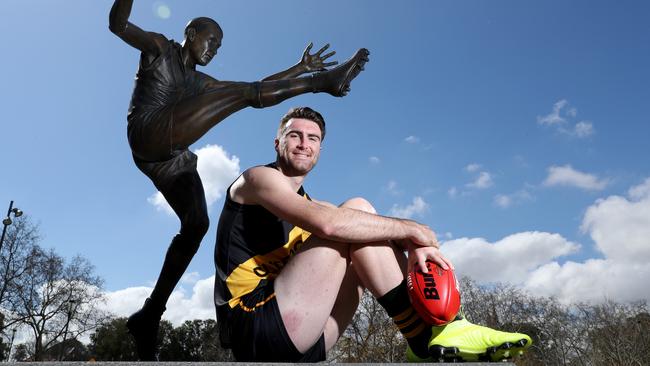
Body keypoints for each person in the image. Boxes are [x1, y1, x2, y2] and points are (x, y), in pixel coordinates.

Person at [109, 0, 369, 360]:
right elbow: (118, 25)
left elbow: (255, 88)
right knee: (239, 94)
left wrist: (295, 67)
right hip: (149, 131)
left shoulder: (201, 82)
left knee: (196, 224)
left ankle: (150, 314)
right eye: (209, 41)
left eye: (219, 47)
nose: (213, 50)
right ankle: (321, 83)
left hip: (169, 160)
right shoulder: (159, 49)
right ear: (190, 34)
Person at [214, 107, 532, 362]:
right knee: (356, 211)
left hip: (308, 340)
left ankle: (438, 329)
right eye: (294, 135)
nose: (303, 143)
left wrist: (414, 246)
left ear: (320, 149)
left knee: (359, 223)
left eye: (313, 138)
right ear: (277, 143)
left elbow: (351, 228)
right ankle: (427, 339)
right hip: (252, 326)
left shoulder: (312, 205)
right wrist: (416, 229)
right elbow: (331, 225)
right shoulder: (256, 180)